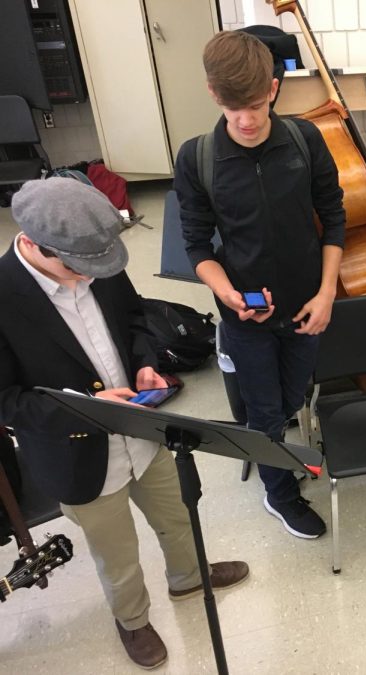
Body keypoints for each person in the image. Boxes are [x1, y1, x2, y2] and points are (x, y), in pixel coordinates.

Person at [0, 178, 249, 669]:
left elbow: (134, 319)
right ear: (32, 244)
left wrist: (143, 363)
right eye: (77, 270)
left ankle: (188, 577)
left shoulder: (96, 257)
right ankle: (132, 620)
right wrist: (84, 409)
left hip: (143, 430)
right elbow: (7, 402)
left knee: (177, 514)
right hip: (76, 457)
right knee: (117, 554)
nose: (91, 277)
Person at [174, 31, 345, 539]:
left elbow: (333, 219)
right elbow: (197, 246)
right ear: (212, 94)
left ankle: (267, 442)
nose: (245, 121)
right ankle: (280, 493)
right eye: (232, 109)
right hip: (243, 315)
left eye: (253, 105)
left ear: (272, 88)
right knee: (267, 413)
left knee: (292, 395)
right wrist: (227, 294)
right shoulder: (197, 157)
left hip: (307, 305)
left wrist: (328, 291)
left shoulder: (303, 139)